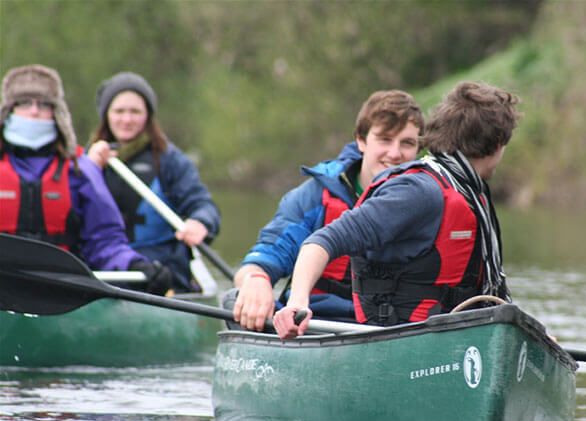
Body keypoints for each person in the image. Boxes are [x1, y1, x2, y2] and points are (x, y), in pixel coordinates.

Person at [273, 81, 520, 339]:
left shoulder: (468, 192)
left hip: (449, 340)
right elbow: (322, 241)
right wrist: (298, 302)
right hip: (401, 341)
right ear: (498, 143)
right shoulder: (418, 192)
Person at [233, 90, 424, 331]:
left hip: (389, 330)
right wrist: (256, 280)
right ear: (362, 141)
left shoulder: (430, 199)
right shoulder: (315, 196)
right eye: (385, 139)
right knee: (237, 299)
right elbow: (262, 259)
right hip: (314, 324)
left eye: (407, 143)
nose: (395, 154)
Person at [0, 64, 172, 295]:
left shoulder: (80, 170)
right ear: (8, 111)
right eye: (24, 103)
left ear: (56, 113)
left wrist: (136, 265)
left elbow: (106, 242)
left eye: (43, 105)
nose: (33, 112)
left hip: (61, 294)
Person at [87, 72, 221, 292]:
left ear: (147, 116)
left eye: (135, 111)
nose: (127, 119)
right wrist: (90, 169)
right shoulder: (88, 163)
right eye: (119, 111)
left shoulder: (170, 160)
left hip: (160, 270)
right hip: (104, 269)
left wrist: (200, 222)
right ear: (106, 115)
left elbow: (203, 205)